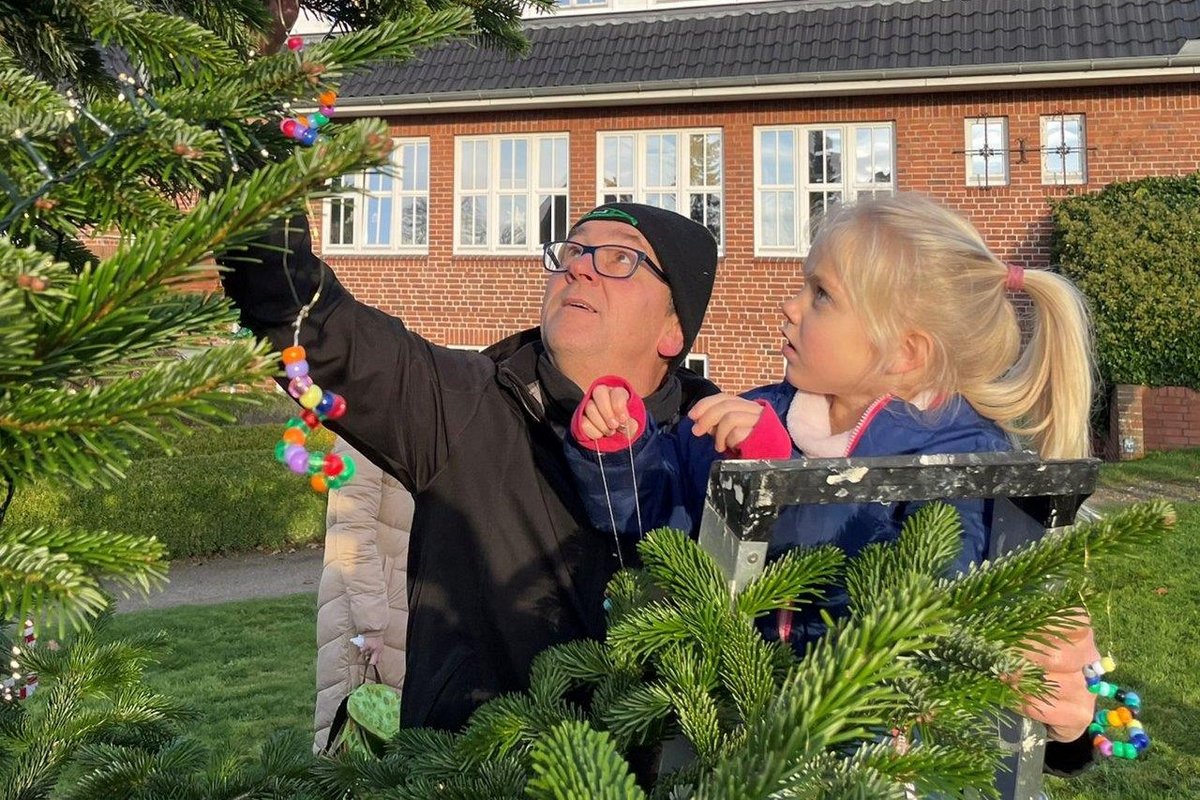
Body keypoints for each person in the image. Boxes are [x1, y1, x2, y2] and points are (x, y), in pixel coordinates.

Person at [564, 193, 1100, 763]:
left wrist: (781, 479)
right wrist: (623, 449)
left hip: (874, 765)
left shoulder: (966, 469)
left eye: (821, 294)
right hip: (734, 743)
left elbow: (933, 630)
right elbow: (655, 522)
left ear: (904, 354)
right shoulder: (757, 416)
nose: (790, 305)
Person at [217, 202, 719, 731]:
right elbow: (314, 328)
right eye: (573, 249)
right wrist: (255, 178)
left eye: (620, 257)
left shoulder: (717, 453)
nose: (578, 265)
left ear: (672, 330)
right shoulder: (467, 407)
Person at [314, 436, 414, 753]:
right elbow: (351, 530)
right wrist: (371, 624)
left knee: (390, 731)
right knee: (350, 737)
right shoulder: (359, 438)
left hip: (395, 606)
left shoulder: (400, 428)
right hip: (364, 617)